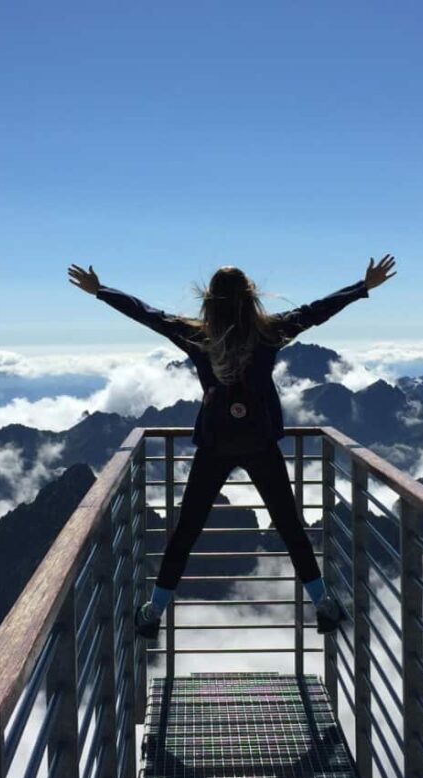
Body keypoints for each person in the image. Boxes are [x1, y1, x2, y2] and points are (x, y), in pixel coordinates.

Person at [67, 255, 397, 640]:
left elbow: (147, 314)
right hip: (259, 442)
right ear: (250, 296)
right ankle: (323, 603)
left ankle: (154, 610)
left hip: (215, 443)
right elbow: (316, 311)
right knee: (290, 526)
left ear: (210, 300)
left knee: (186, 529)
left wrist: (101, 291)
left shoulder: (196, 336)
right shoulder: (269, 333)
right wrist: (362, 286)